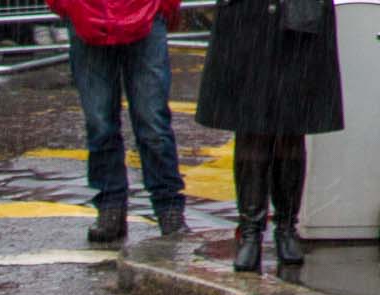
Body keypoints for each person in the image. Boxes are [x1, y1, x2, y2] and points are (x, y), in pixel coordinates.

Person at [194, 0, 344, 271]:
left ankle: (287, 227)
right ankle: (250, 230)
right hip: (248, 16)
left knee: (292, 125)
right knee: (251, 125)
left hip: (300, 16)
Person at [47, 0, 188, 244]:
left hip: (137, 14)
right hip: (90, 16)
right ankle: (117, 205)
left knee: (150, 122)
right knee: (103, 123)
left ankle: (166, 208)